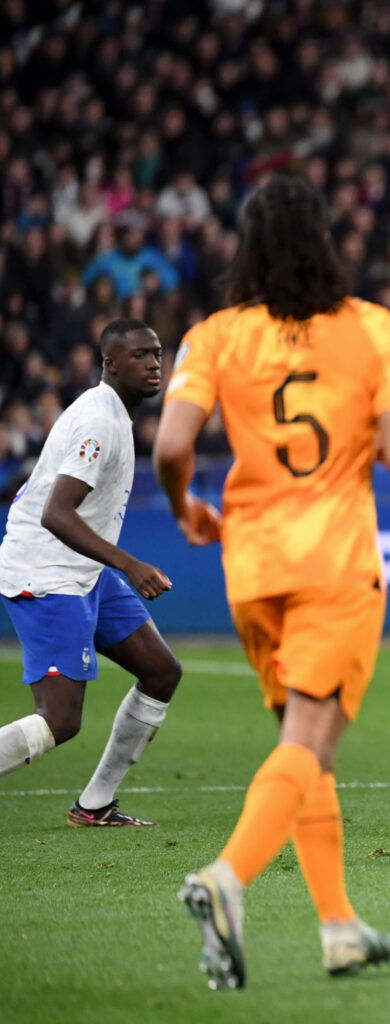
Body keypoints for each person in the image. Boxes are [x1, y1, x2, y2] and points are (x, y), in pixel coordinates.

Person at [153, 175, 390, 989]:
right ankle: (226, 879)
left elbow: (172, 445)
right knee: (311, 742)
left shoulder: (215, 335)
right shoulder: (376, 329)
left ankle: (339, 926)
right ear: (325, 241)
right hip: (334, 564)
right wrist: (368, 435)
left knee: (307, 751)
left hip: (251, 565)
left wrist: (184, 508)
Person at [0, 318, 182, 828]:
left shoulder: (116, 414)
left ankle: (95, 805)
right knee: (60, 720)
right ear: (110, 364)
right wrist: (129, 562)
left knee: (162, 671)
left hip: (83, 570)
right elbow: (56, 513)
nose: (153, 364)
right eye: (140, 356)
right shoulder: (100, 423)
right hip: (47, 568)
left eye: (157, 353)